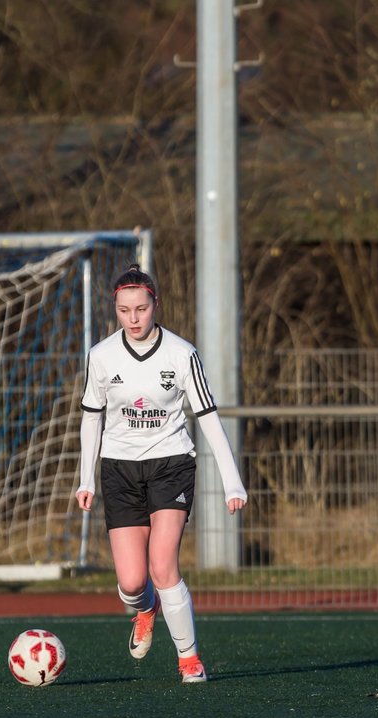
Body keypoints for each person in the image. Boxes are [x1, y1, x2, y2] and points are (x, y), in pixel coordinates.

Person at [75, 264, 247, 684]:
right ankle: (145, 608)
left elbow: (207, 418)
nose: (133, 318)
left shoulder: (181, 353)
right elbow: (91, 419)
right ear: (114, 309)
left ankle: (189, 659)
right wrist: (86, 478)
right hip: (119, 469)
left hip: (171, 464)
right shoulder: (101, 356)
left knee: (162, 563)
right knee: (132, 582)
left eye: (141, 308)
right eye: (123, 310)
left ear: (156, 305)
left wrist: (232, 481)